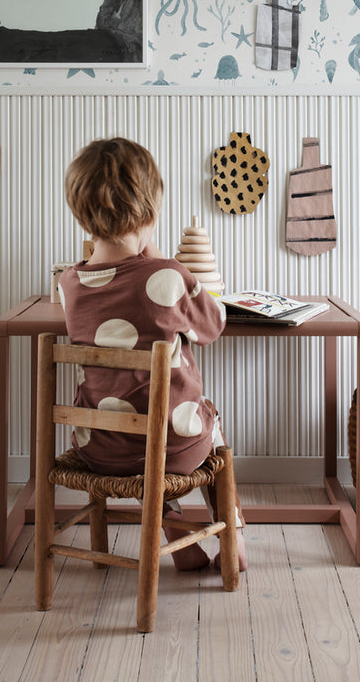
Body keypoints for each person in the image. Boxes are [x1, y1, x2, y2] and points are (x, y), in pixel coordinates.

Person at [58, 137, 246, 572]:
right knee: (205, 423)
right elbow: (213, 324)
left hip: (100, 446)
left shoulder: (70, 283)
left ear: (81, 213)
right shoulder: (166, 275)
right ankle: (233, 539)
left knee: (140, 421)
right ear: (149, 211)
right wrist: (163, 260)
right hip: (173, 447)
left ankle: (179, 538)